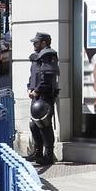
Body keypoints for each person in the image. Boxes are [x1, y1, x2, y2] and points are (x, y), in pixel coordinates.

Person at [27, 32, 59, 167]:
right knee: (34, 125)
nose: (34, 44)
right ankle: (38, 153)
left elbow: (47, 78)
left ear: (44, 42)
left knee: (45, 126)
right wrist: (29, 88)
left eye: (36, 42)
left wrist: (37, 90)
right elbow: (33, 76)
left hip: (45, 96)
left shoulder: (48, 55)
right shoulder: (37, 56)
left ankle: (48, 155)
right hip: (36, 96)